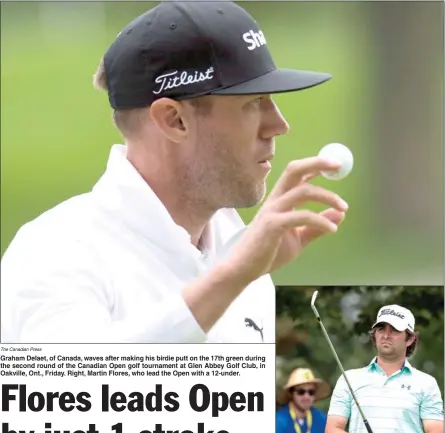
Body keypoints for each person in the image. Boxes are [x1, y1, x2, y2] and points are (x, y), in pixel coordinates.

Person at [1, 1, 349, 343]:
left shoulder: (238, 247)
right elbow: (72, 391)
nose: (279, 125)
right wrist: (231, 279)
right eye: (254, 103)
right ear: (174, 120)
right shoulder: (53, 253)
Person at [325, 305, 444, 433]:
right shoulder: (349, 379)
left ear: (410, 339)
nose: (386, 335)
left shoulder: (427, 383)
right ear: (374, 335)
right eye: (381, 329)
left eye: (394, 330)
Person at [276, 367, 338, 433]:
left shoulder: (320, 418)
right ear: (291, 393)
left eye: (311, 392)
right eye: (301, 392)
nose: (306, 396)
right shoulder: (278, 422)